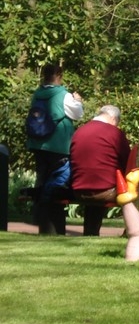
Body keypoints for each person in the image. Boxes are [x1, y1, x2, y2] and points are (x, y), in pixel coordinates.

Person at [26, 63, 84, 235]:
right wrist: (77, 101)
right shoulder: (63, 95)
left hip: (38, 144)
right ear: (59, 75)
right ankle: (54, 226)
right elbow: (77, 114)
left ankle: (41, 222)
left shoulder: (37, 94)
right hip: (58, 147)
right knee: (58, 183)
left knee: (42, 181)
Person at [70, 105, 131, 236]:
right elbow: (127, 161)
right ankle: (133, 232)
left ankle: (90, 233)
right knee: (138, 192)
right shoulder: (115, 133)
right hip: (106, 191)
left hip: (79, 190)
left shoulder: (79, 131)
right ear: (114, 118)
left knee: (96, 189)